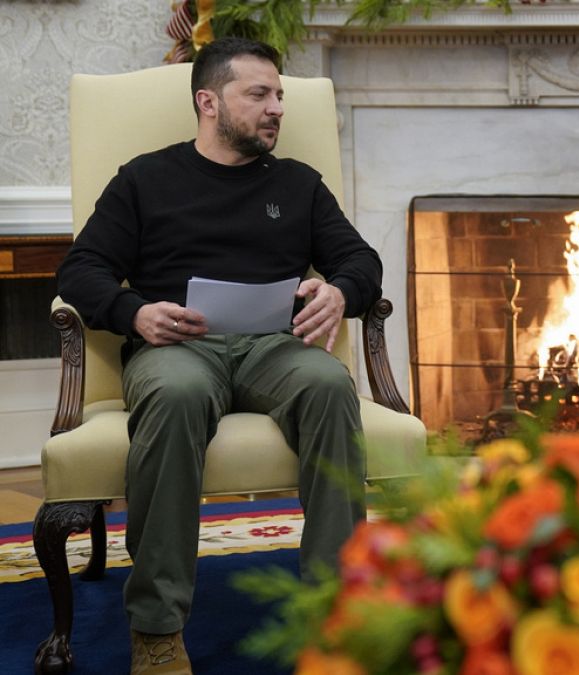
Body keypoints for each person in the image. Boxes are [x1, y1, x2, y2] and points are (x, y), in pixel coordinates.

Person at [57, 37, 382, 675]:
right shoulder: (145, 178)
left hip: (275, 348)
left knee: (329, 386)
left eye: (280, 95)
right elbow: (82, 268)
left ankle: (338, 614)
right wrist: (135, 312)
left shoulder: (298, 184)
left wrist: (339, 290)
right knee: (175, 397)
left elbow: (360, 260)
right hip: (177, 346)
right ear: (209, 102)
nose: (276, 108)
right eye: (258, 94)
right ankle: (156, 628)